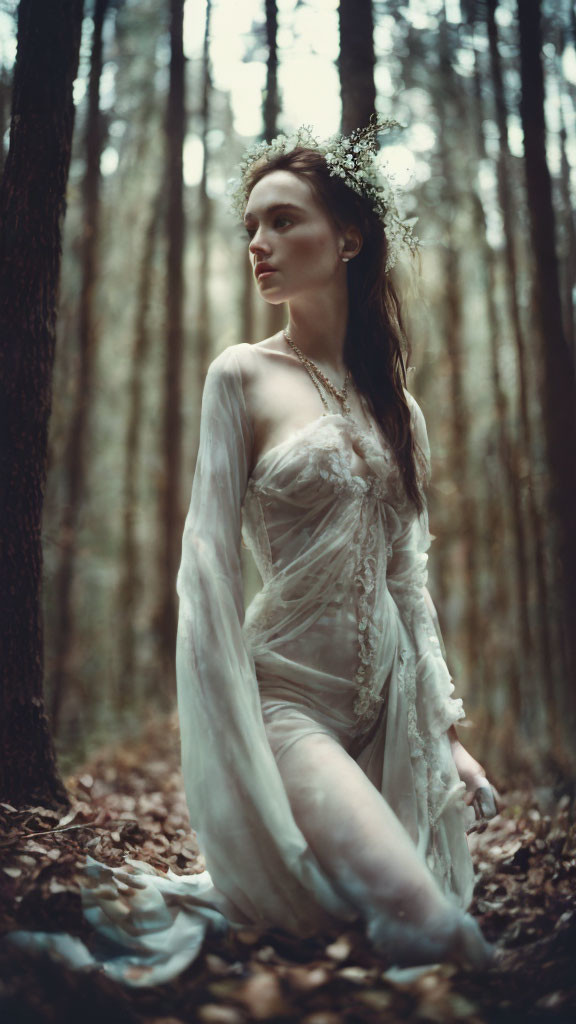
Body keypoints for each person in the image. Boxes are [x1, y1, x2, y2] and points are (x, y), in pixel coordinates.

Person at [4, 119, 498, 987]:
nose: (259, 245)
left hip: (388, 721)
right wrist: (226, 726)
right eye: (250, 228)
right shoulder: (239, 376)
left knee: (418, 917)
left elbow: (405, 581)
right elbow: (207, 565)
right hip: (287, 710)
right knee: (430, 931)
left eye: (283, 222)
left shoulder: (400, 410)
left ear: (348, 237)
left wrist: (445, 735)